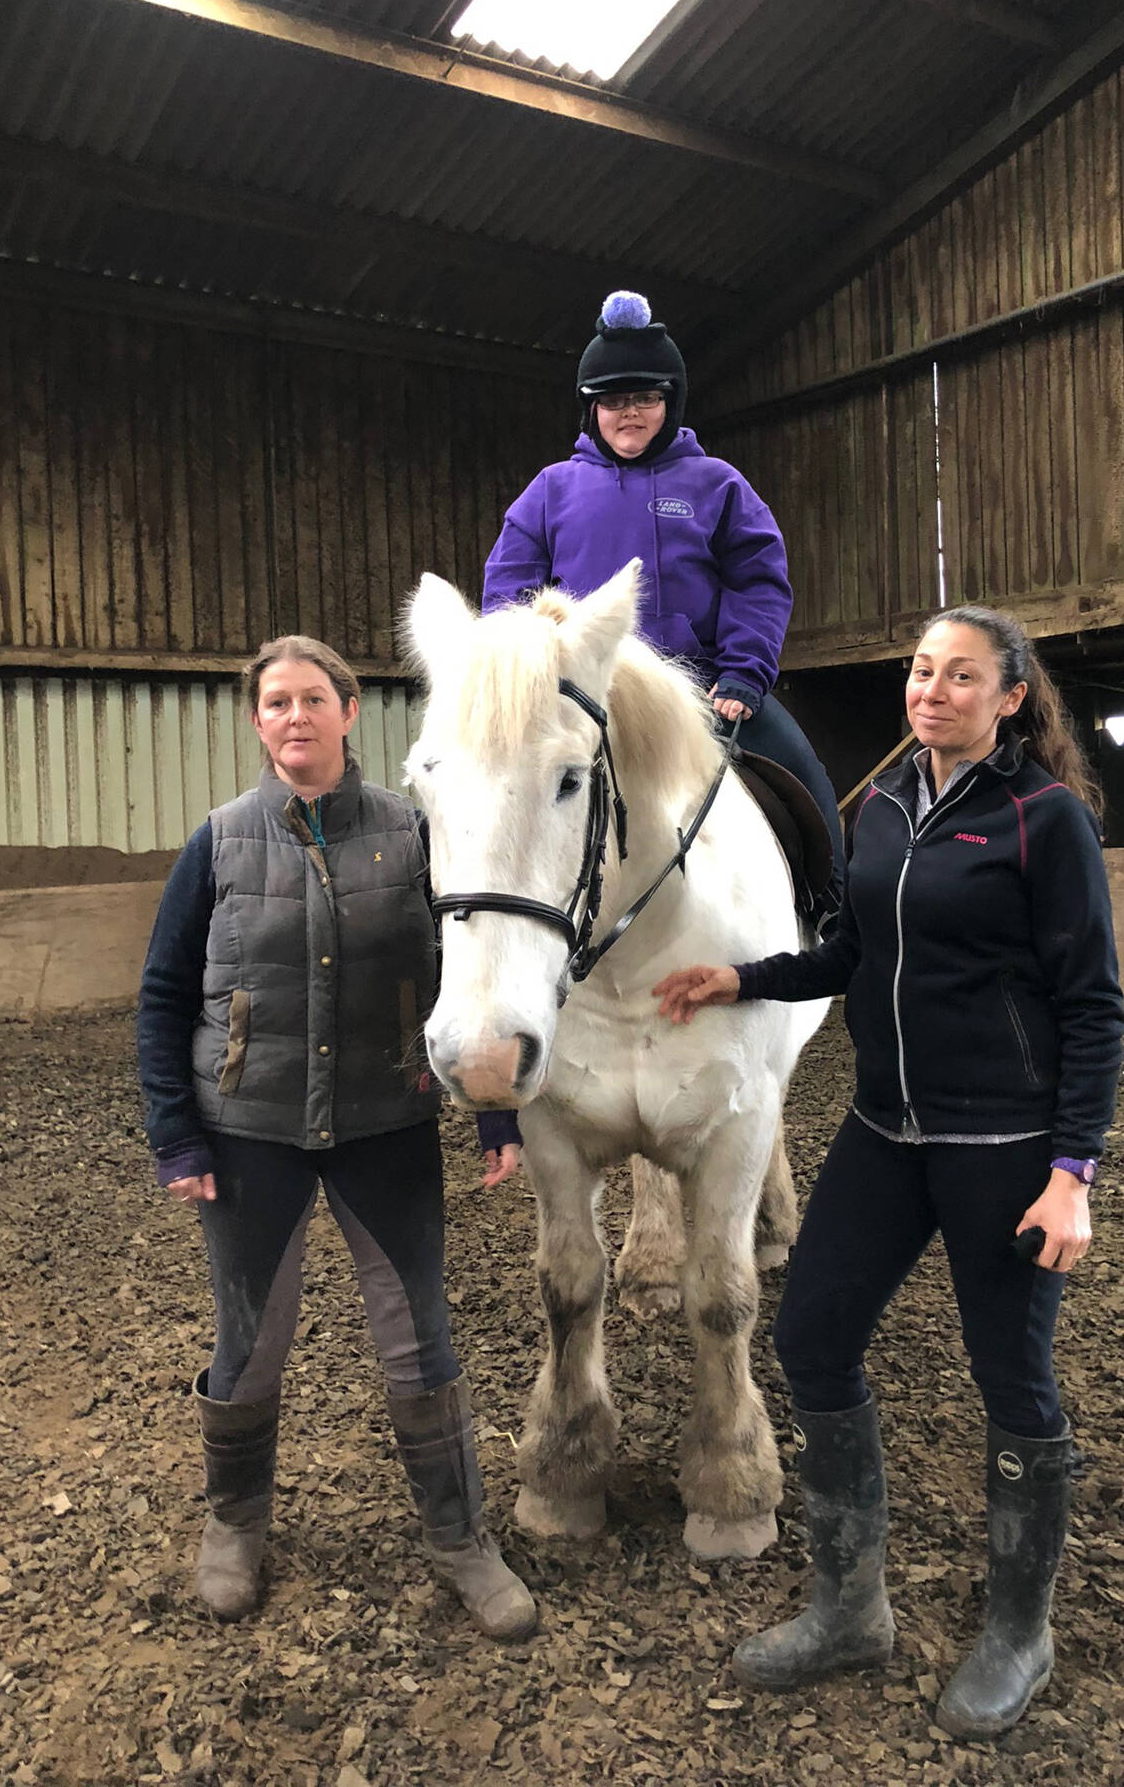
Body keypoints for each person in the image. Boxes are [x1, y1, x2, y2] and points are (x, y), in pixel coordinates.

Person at [653, 605, 1124, 1740]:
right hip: (883, 1131)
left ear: (1011, 697)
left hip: (999, 1143)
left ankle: (1020, 1631)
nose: (932, 690)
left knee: (1012, 1381)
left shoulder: (1044, 821)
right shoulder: (885, 808)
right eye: (923, 671)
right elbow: (854, 952)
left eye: (962, 676)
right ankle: (849, 1606)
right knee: (813, 1335)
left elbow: (1093, 1005)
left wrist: (1073, 1170)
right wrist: (744, 978)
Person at [136, 634, 535, 1639]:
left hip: (382, 1123)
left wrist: (494, 1105)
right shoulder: (219, 841)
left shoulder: (412, 834)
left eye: (314, 698)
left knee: (419, 1340)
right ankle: (234, 1527)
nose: (295, 717)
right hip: (249, 1131)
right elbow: (164, 994)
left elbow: (466, 977)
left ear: (352, 711)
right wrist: (176, 1135)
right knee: (250, 1343)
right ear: (258, 720)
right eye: (276, 703)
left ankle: (460, 1537)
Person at [481, 288, 845, 925]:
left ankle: (831, 903)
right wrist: (521, 677)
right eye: (613, 401)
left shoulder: (717, 483)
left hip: (702, 684)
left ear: (668, 403)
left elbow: (758, 580)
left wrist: (745, 673)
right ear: (593, 408)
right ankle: (466, 912)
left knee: (802, 769)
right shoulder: (551, 490)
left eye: (645, 398)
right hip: (584, 686)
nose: (629, 414)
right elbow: (507, 590)